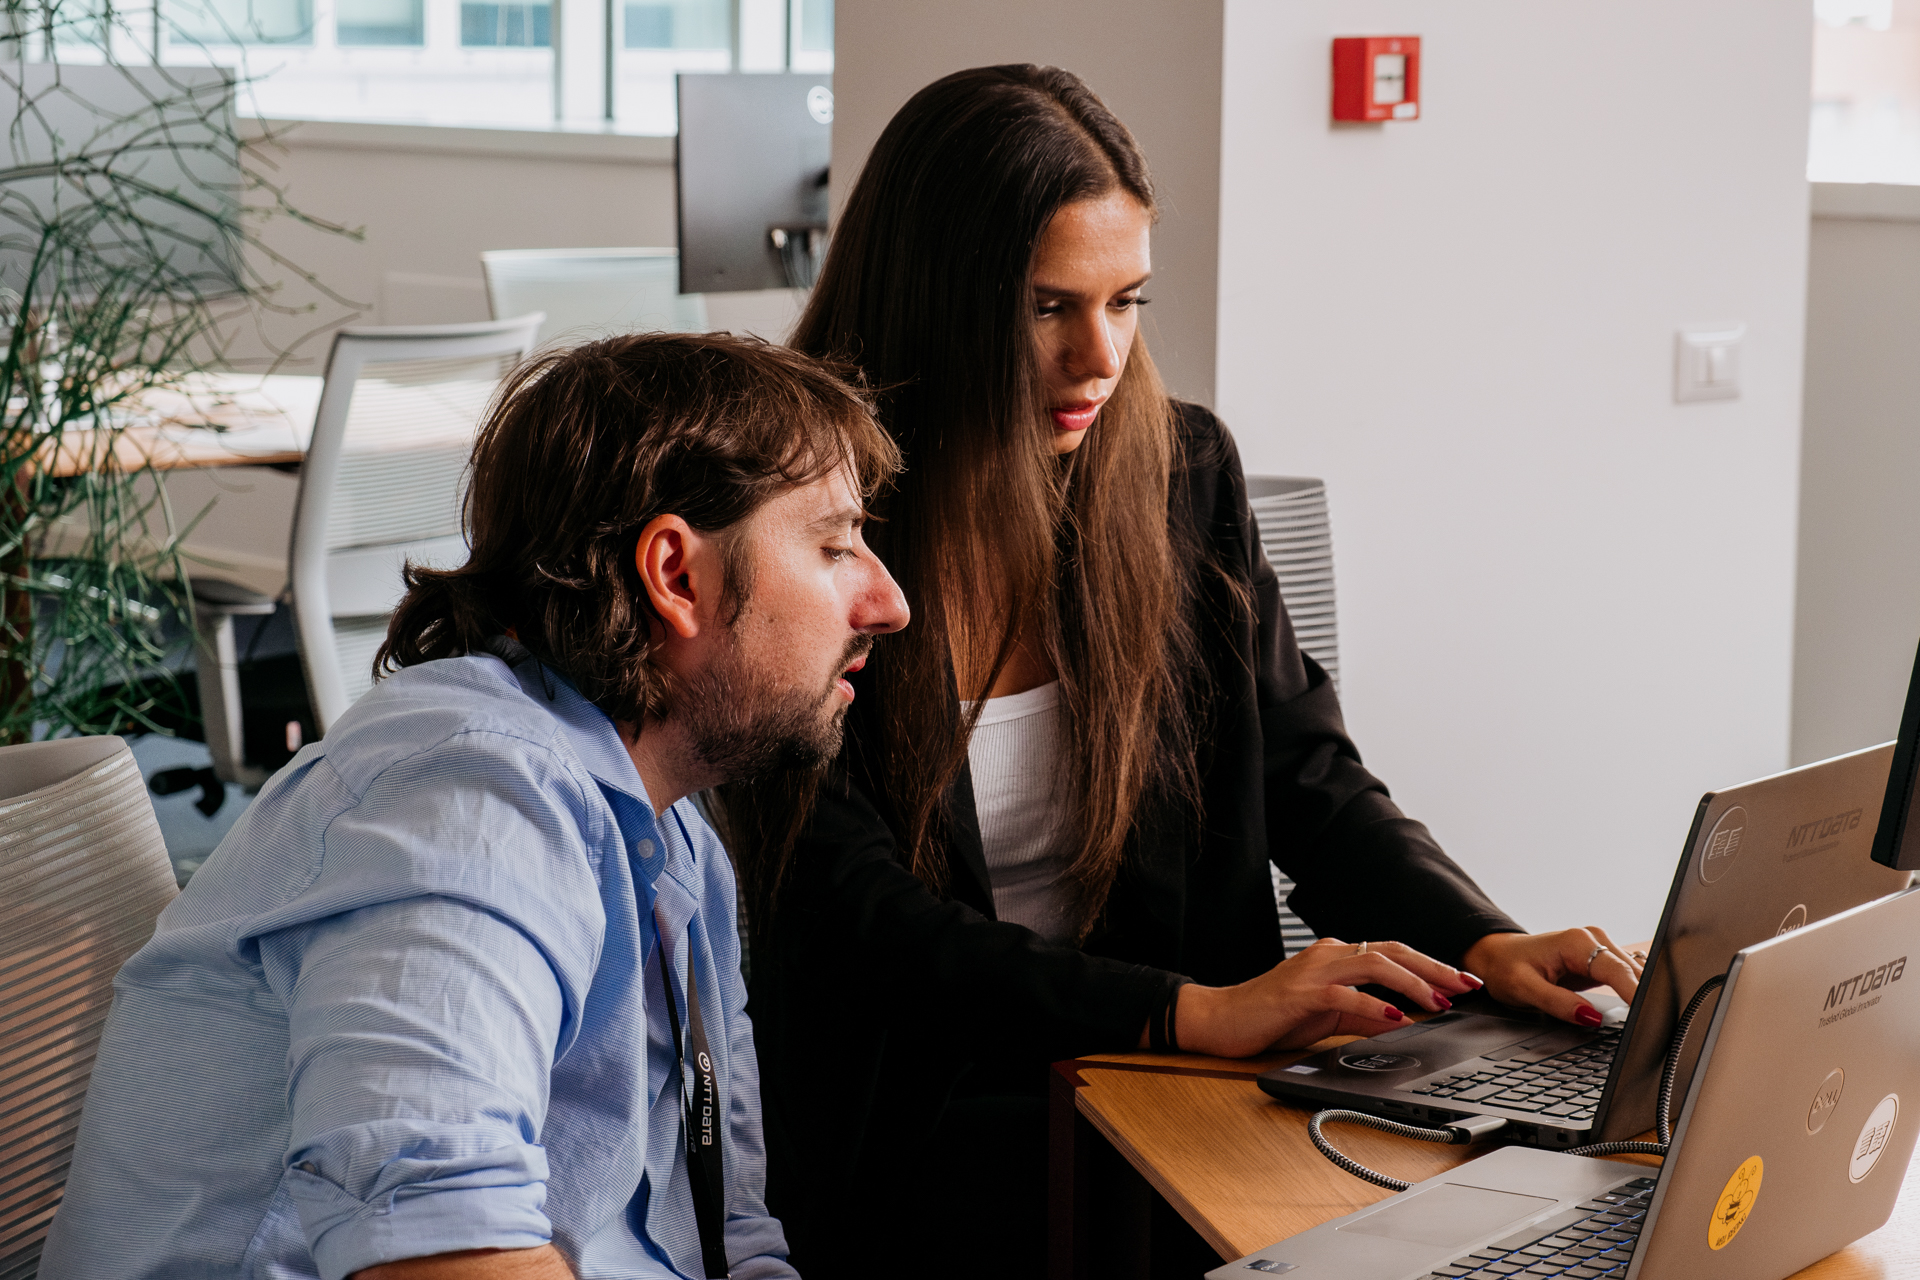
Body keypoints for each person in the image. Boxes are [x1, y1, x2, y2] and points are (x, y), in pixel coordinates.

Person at [719, 66, 1646, 1276]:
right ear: (939, 295)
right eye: (1050, 306)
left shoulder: (1179, 476)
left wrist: (1483, 942)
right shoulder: (805, 524)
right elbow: (864, 924)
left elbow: (1314, 780)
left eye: (1128, 301)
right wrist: (1187, 1010)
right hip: (928, 1119)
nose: (1098, 356)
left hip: (1183, 1092)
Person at [42, 333, 908, 1280]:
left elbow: (729, 1238)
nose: (887, 601)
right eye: (835, 546)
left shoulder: (677, 844)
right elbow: (447, 1256)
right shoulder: (471, 803)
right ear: (676, 576)